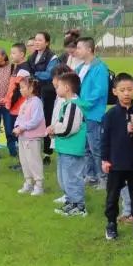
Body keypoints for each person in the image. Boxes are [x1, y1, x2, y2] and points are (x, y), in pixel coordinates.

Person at [101, 73, 133, 241]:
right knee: (112, 195)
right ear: (115, 92)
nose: (126, 93)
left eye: (129, 89)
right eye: (122, 90)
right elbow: (104, 139)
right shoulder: (111, 115)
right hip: (116, 162)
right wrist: (105, 159)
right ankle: (111, 224)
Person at [49, 72, 88, 217]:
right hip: (65, 147)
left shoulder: (73, 105)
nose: (56, 89)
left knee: (72, 177)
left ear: (66, 88)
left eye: (57, 86)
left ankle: (79, 206)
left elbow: (69, 128)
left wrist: (54, 130)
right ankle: (71, 202)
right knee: (64, 177)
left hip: (72, 148)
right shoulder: (67, 104)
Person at [75, 37, 109, 188]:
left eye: (80, 48)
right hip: (82, 113)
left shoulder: (99, 67)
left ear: (89, 49)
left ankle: (104, 178)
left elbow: (99, 91)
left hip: (94, 113)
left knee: (96, 147)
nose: (77, 51)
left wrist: (83, 104)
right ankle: (91, 175)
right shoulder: (81, 67)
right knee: (86, 147)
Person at [28, 32, 60, 161]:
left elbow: (49, 74)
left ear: (47, 42)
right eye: (35, 40)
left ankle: (47, 153)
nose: (37, 42)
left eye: (40, 40)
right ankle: (34, 150)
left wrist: (35, 74)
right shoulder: (32, 57)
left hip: (48, 94)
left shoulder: (52, 57)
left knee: (47, 120)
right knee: (34, 119)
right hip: (35, 92)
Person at [13, 77, 47, 196]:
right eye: (20, 87)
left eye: (23, 87)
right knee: (24, 161)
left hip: (32, 137)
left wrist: (23, 127)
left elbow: (36, 120)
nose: (20, 90)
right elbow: (19, 117)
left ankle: (39, 185)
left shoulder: (36, 102)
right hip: (22, 137)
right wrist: (16, 126)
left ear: (31, 88)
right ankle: (28, 182)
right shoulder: (25, 102)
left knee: (34, 160)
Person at [3, 43, 31, 167]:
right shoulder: (17, 67)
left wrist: (10, 104)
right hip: (13, 108)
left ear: (22, 54)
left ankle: (24, 162)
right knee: (15, 134)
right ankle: (21, 161)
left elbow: (18, 91)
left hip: (18, 108)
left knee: (20, 135)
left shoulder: (24, 69)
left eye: (14, 53)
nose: (11, 55)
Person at [49, 64, 74, 199]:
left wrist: (56, 129)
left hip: (65, 139)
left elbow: (66, 122)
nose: (52, 82)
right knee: (61, 166)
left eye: (55, 79)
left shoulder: (70, 100)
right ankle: (66, 193)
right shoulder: (59, 97)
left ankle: (72, 197)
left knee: (68, 168)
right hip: (58, 137)